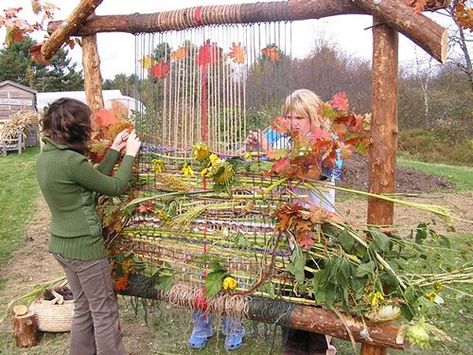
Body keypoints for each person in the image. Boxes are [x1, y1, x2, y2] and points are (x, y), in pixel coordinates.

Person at [36, 98, 141, 355]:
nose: (91, 128)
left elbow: (90, 186)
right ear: (76, 129)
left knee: (84, 307)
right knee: (104, 311)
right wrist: (130, 156)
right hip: (84, 248)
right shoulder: (72, 162)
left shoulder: (46, 158)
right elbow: (115, 187)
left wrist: (114, 150)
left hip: (62, 245)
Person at [246, 89, 339, 354]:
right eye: (289, 116)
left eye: (300, 116)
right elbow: (265, 167)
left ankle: (321, 348)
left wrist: (268, 151)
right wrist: (254, 148)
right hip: (289, 231)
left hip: (318, 231)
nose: (293, 122)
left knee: (314, 293)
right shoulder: (284, 141)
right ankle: (294, 347)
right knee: (290, 293)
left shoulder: (327, 146)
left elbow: (306, 175)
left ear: (314, 118)